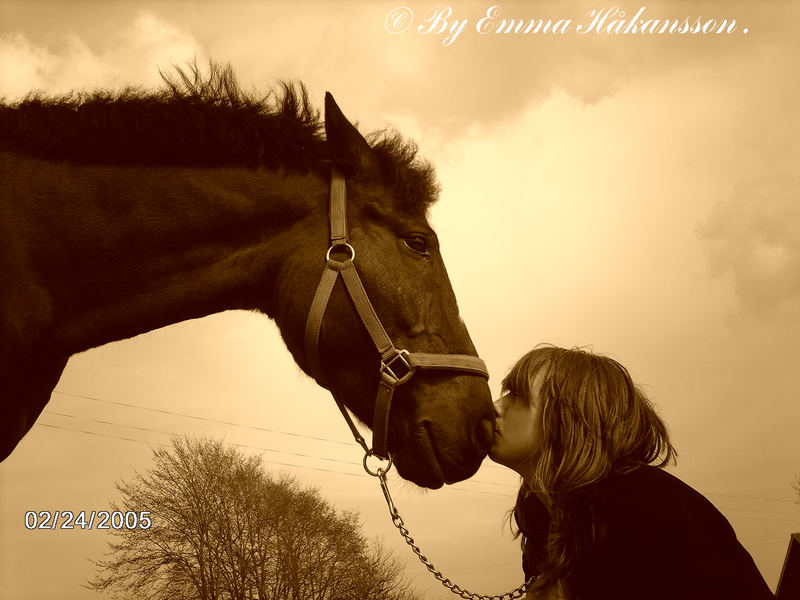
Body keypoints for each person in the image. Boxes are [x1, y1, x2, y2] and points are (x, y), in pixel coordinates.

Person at [489, 344, 775, 600]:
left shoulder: (649, 504)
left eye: (517, 396)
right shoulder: (541, 520)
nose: (495, 407)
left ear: (567, 419)